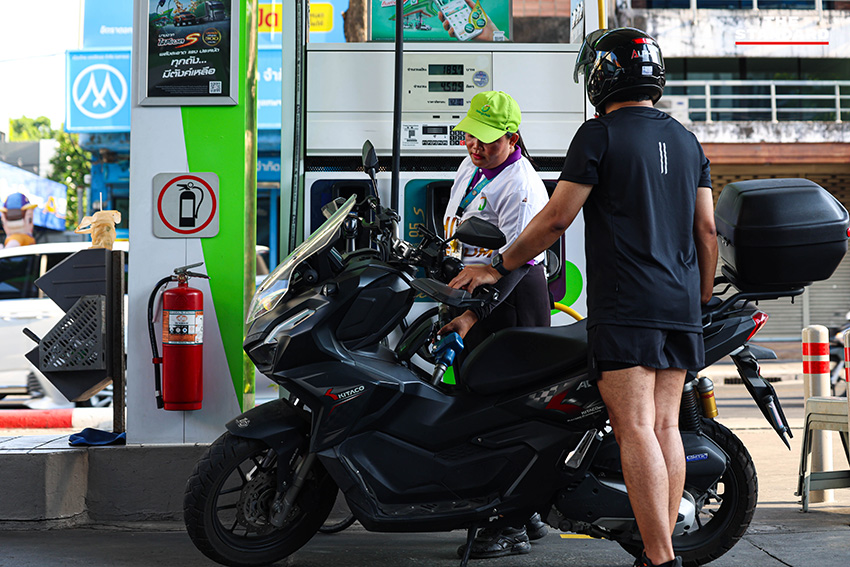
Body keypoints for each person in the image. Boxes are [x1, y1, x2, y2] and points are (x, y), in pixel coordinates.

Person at [448, 28, 718, 567]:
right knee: (667, 426)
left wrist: (497, 265)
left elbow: (555, 218)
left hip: (628, 304)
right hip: (680, 306)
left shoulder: (598, 135)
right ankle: (659, 552)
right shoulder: (688, 141)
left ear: (601, 76)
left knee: (636, 427)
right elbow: (707, 231)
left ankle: (661, 558)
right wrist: (700, 300)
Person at [438, 90, 551, 559]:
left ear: (512, 137)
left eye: (486, 140)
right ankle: (529, 510)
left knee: (510, 412)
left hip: (511, 300)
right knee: (476, 401)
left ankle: (512, 526)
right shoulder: (473, 166)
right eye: (470, 135)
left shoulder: (521, 186)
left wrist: (469, 316)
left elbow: (517, 265)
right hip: (475, 289)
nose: (474, 146)